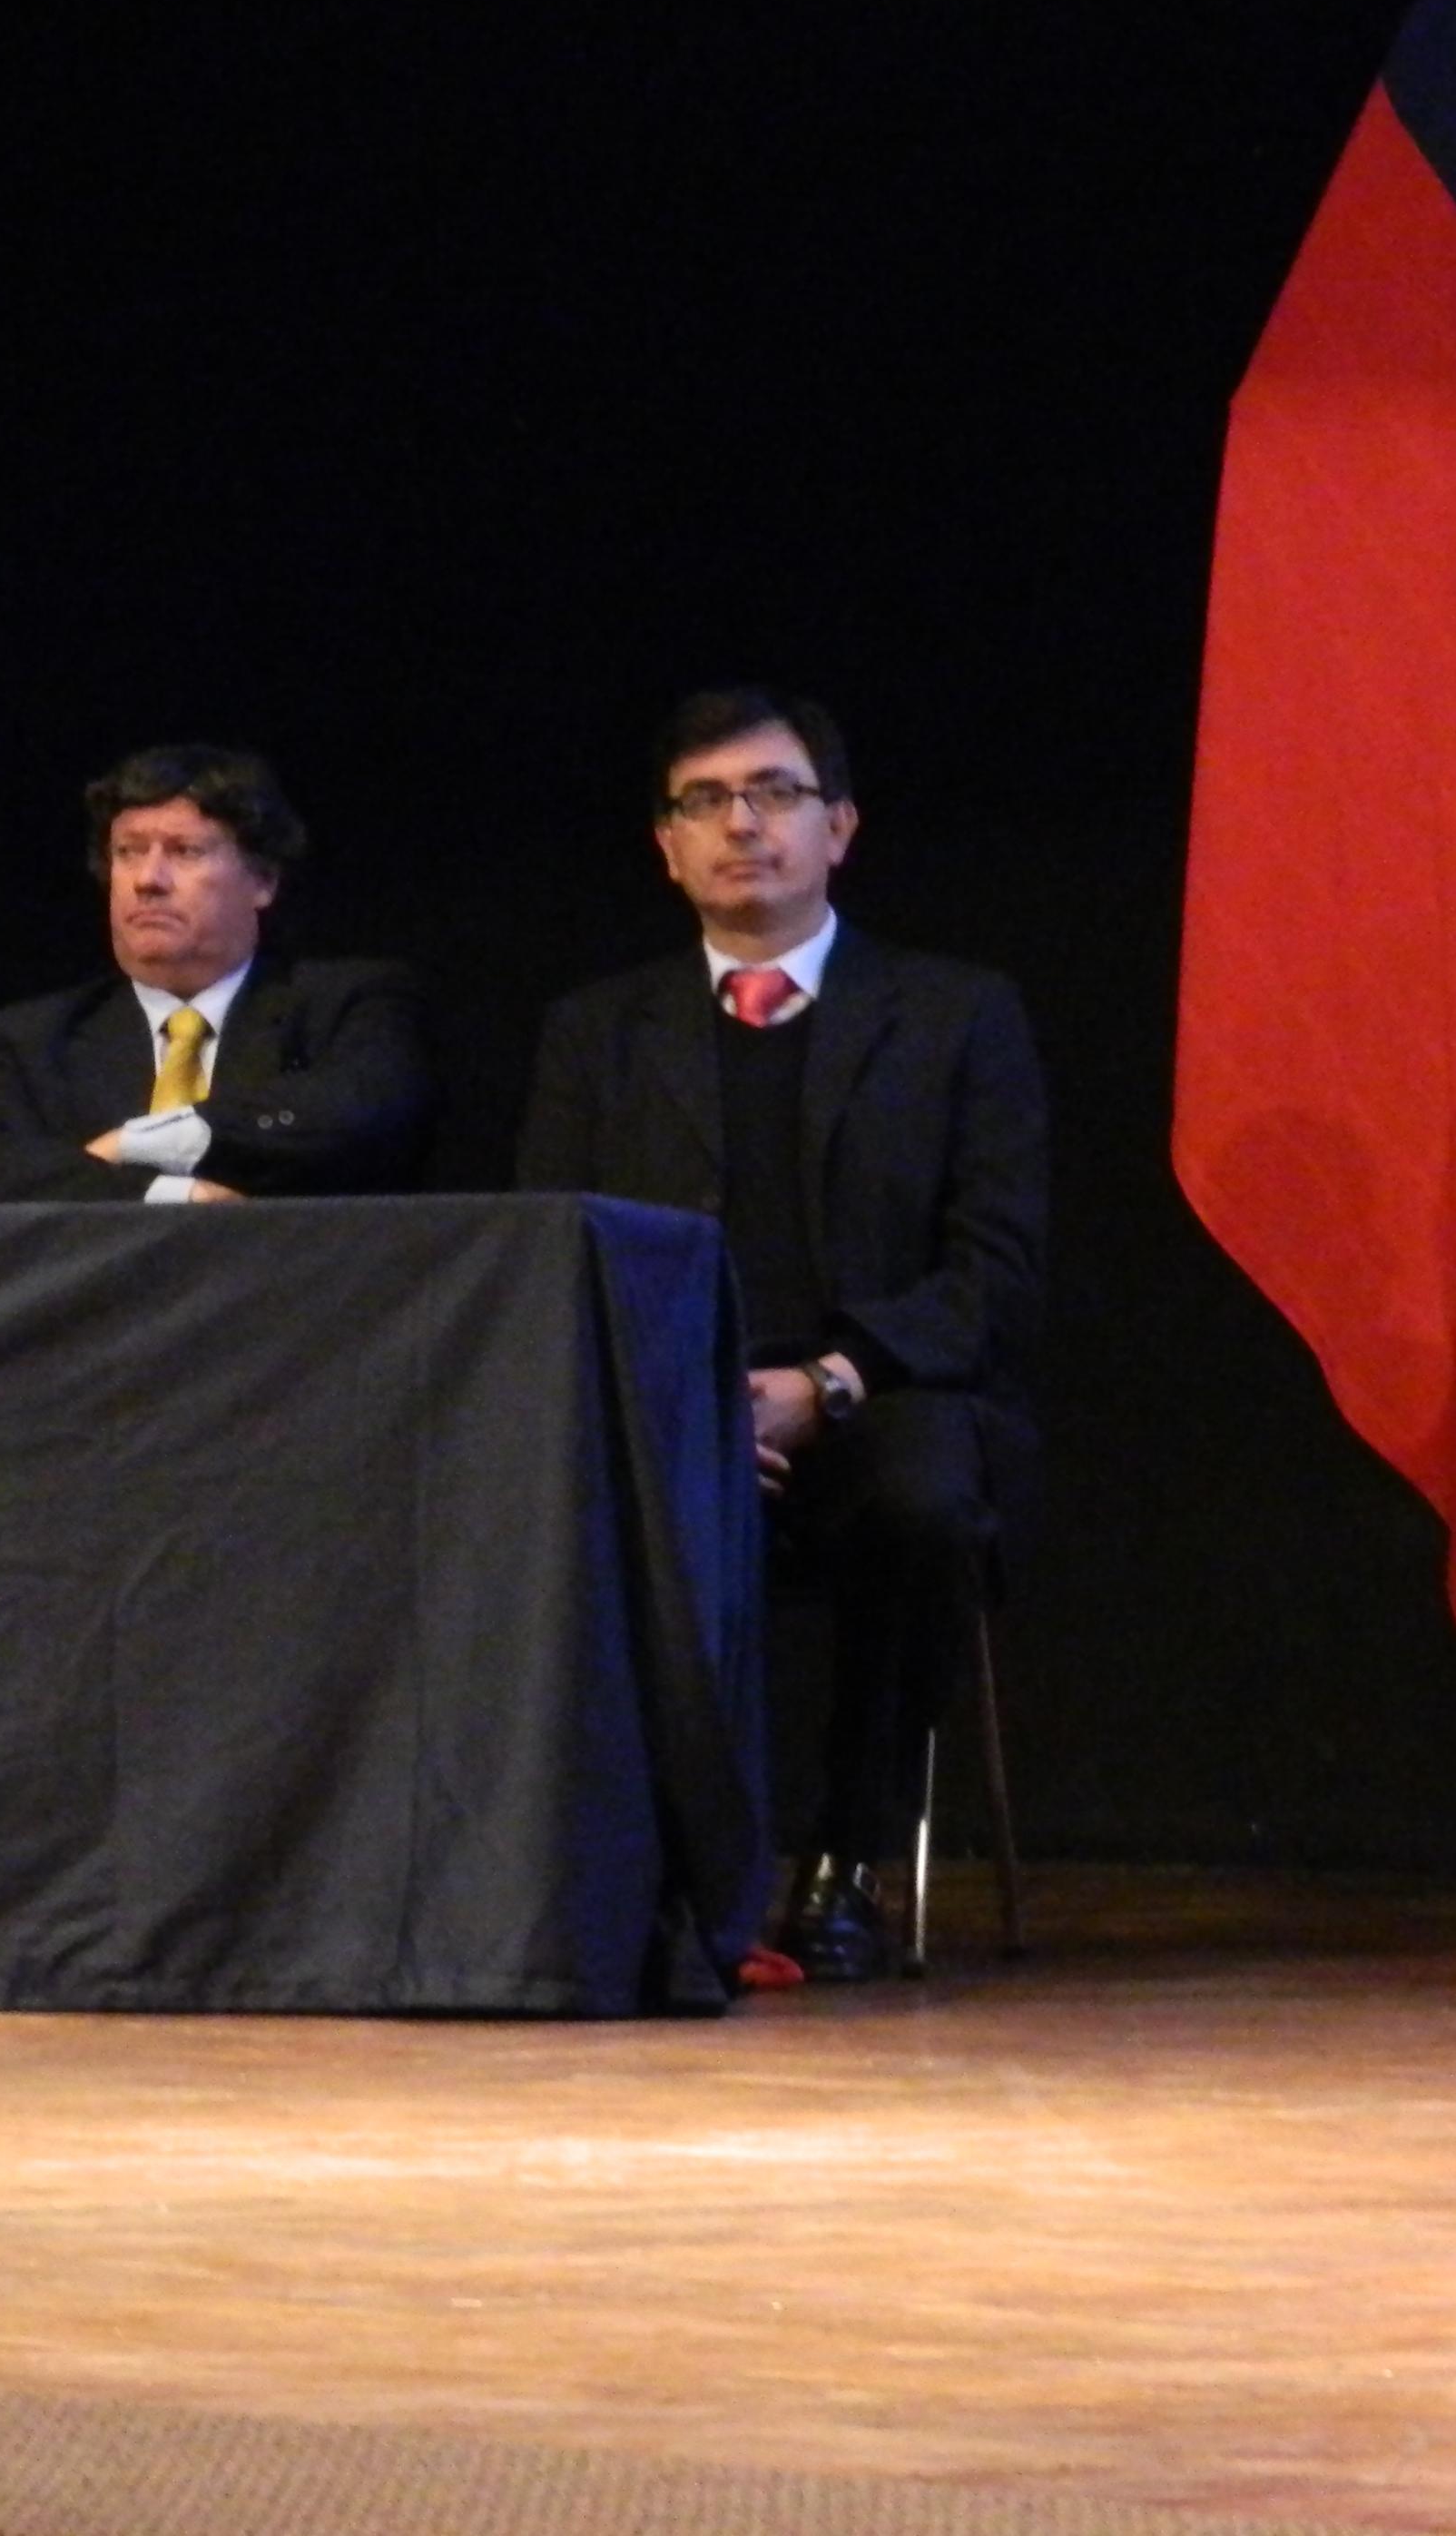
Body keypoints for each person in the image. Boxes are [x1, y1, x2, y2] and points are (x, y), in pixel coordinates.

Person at [515, 687, 1047, 1983]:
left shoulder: (955, 1013)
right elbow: (548, 1254)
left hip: (885, 1392)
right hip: (669, 1404)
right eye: (706, 801)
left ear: (840, 827)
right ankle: (647, 1868)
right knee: (557, 1501)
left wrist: (827, 1380)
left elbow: (997, 1270)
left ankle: (845, 1857)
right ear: (667, 846)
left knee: (919, 1500)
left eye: (774, 793)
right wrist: (686, 1405)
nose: (740, 823)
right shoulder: (601, 1031)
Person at [0, 742, 437, 1203]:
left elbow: (361, 1112)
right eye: (128, 852)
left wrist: (146, 1142)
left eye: (185, 851)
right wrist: (170, 1195)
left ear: (262, 881)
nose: (148, 880)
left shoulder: (348, 1004)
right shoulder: (29, 1041)